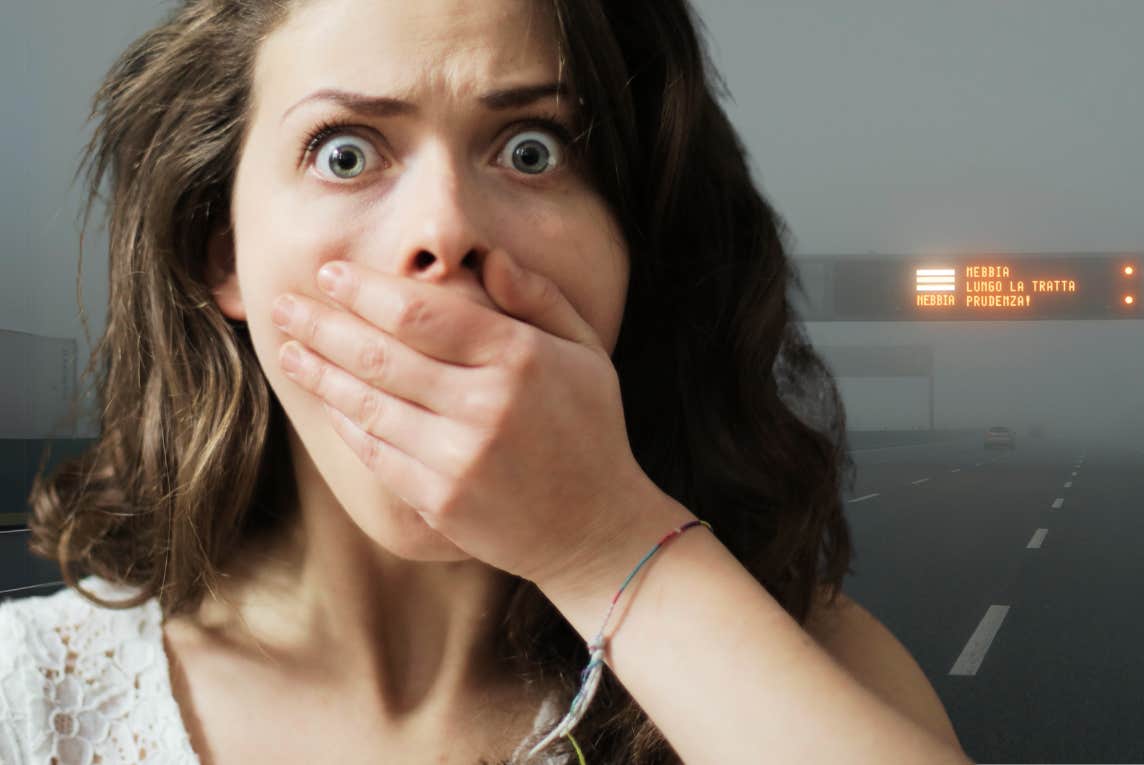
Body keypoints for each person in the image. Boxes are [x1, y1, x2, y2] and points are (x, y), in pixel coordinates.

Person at [0, 0, 969, 763]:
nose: (446, 230)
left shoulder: (809, 673)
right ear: (226, 256)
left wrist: (606, 546)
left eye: (532, 149)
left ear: (635, 246)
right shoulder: (23, 694)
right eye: (345, 152)